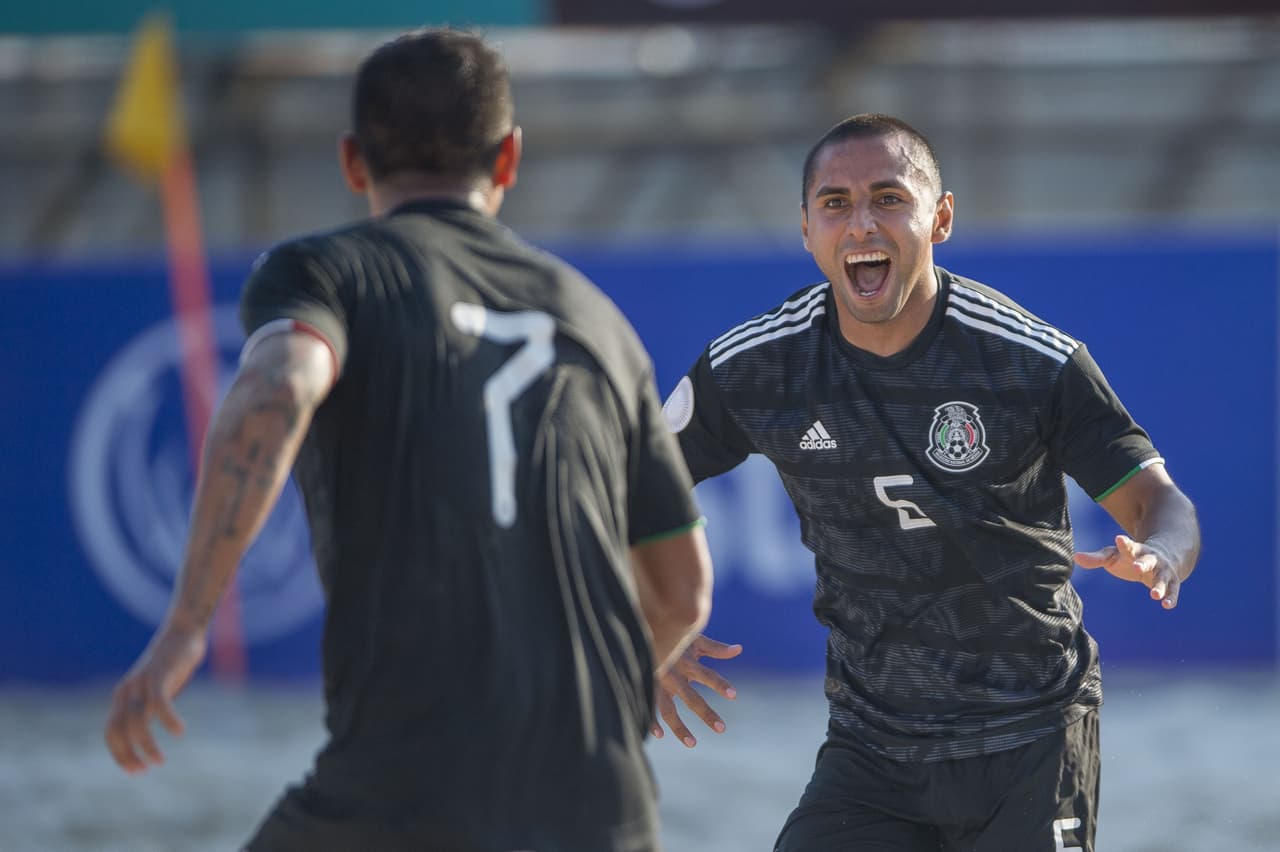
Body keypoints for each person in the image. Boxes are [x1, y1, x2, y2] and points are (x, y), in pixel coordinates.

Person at [103, 28, 714, 852]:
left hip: (403, 790)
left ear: (353, 162)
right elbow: (683, 593)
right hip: (607, 807)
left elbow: (278, 389)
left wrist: (186, 624)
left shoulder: (329, 273)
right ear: (509, 158)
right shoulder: (600, 321)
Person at [653, 113, 1200, 852]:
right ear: (807, 228)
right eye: (836, 204)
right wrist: (645, 619)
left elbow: (1160, 502)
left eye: (888, 198)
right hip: (871, 750)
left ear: (940, 218)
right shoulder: (756, 365)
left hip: (1032, 736)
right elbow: (626, 483)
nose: (861, 224)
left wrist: (1162, 554)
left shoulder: (1030, 359)